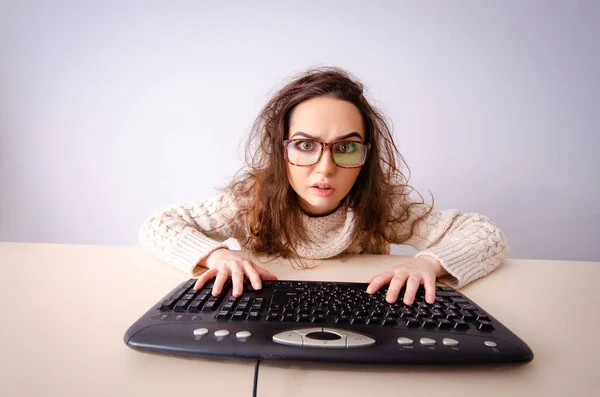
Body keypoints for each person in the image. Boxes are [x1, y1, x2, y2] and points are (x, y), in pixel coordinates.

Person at [139, 66, 507, 306]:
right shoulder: (248, 202)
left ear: (366, 153)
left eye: (345, 147)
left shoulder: (382, 206)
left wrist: (427, 263)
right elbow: (159, 226)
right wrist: (216, 256)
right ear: (280, 149)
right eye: (304, 145)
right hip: (270, 313)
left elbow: (485, 235)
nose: (325, 168)